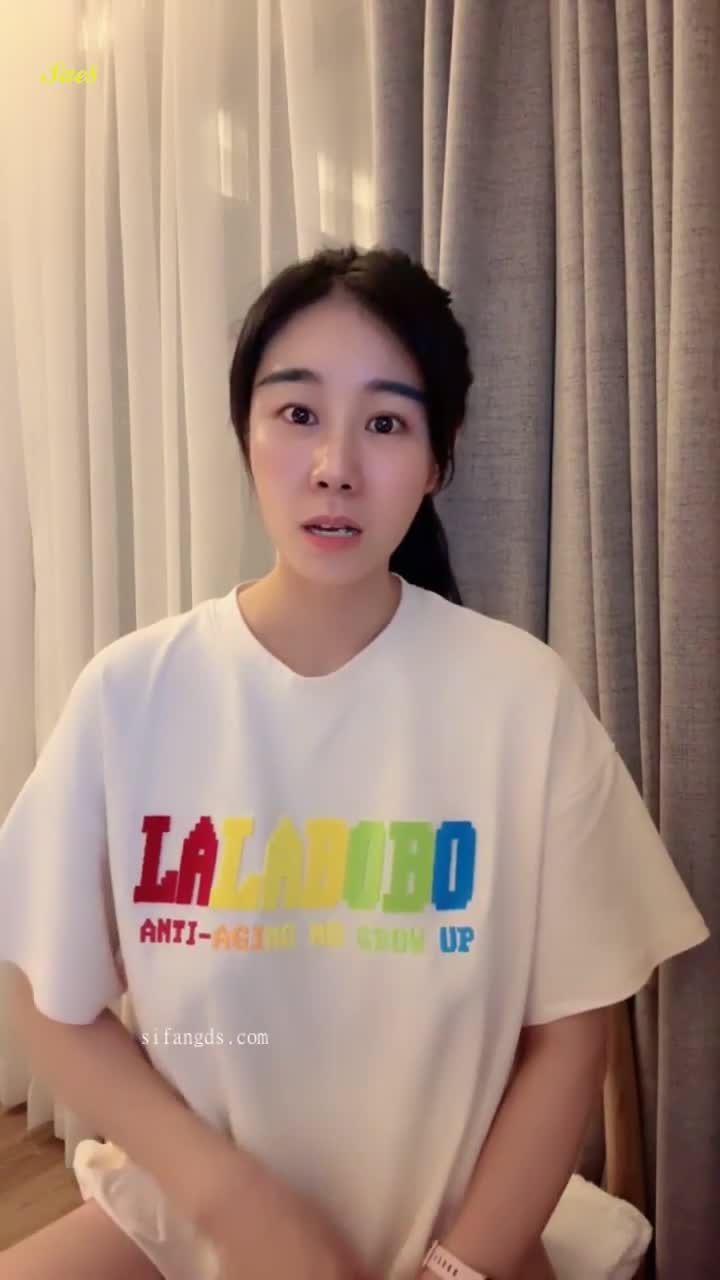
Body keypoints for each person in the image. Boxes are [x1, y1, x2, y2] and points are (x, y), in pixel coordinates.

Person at [0, 245, 709, 1280]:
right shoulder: (133, 694)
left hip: (465, 1239)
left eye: (385, 423)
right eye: (297, 413)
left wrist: (456, 1268)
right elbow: (48, 993)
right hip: (189, 1226)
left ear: (437, 458)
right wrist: (236, 1204)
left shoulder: (519, 697)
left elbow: (571, 1033)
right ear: (246, 431)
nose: (335, 463)